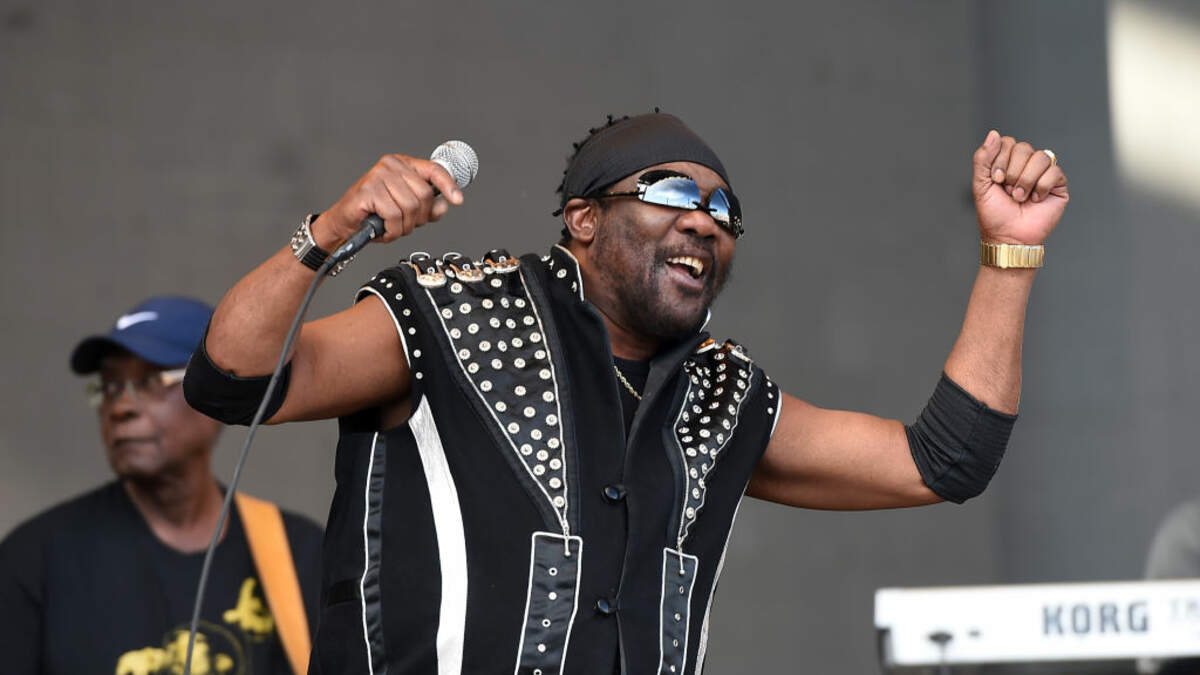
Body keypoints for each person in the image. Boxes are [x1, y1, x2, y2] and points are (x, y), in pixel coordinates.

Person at [183, 112, 1069, 674]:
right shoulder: (452, 314)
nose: (703, 220)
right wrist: (327, 231)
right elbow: (232, 379)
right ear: (584, 219)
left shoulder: (723, 395)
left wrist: (1011, 255)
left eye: (722, 211)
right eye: (672, 192)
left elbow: (944, 460)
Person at [0, 296, 324, 675]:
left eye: (151, 381)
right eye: (110, 387)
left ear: (216, 395)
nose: (121, 407)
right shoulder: (34, 561)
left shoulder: (299, 553)